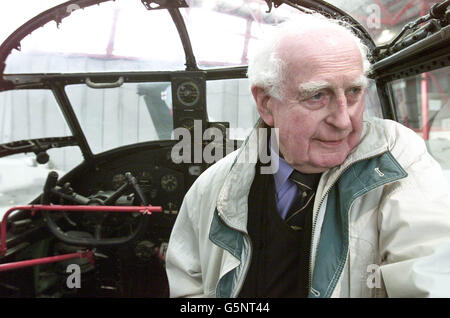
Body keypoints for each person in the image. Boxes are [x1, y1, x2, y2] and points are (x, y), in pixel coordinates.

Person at [165, 13, 450, 298]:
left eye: (353, 92)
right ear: (266, 104)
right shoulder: (212, 188)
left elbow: (432, 272)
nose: (344, 120)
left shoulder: (395, 158)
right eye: (317, 96)